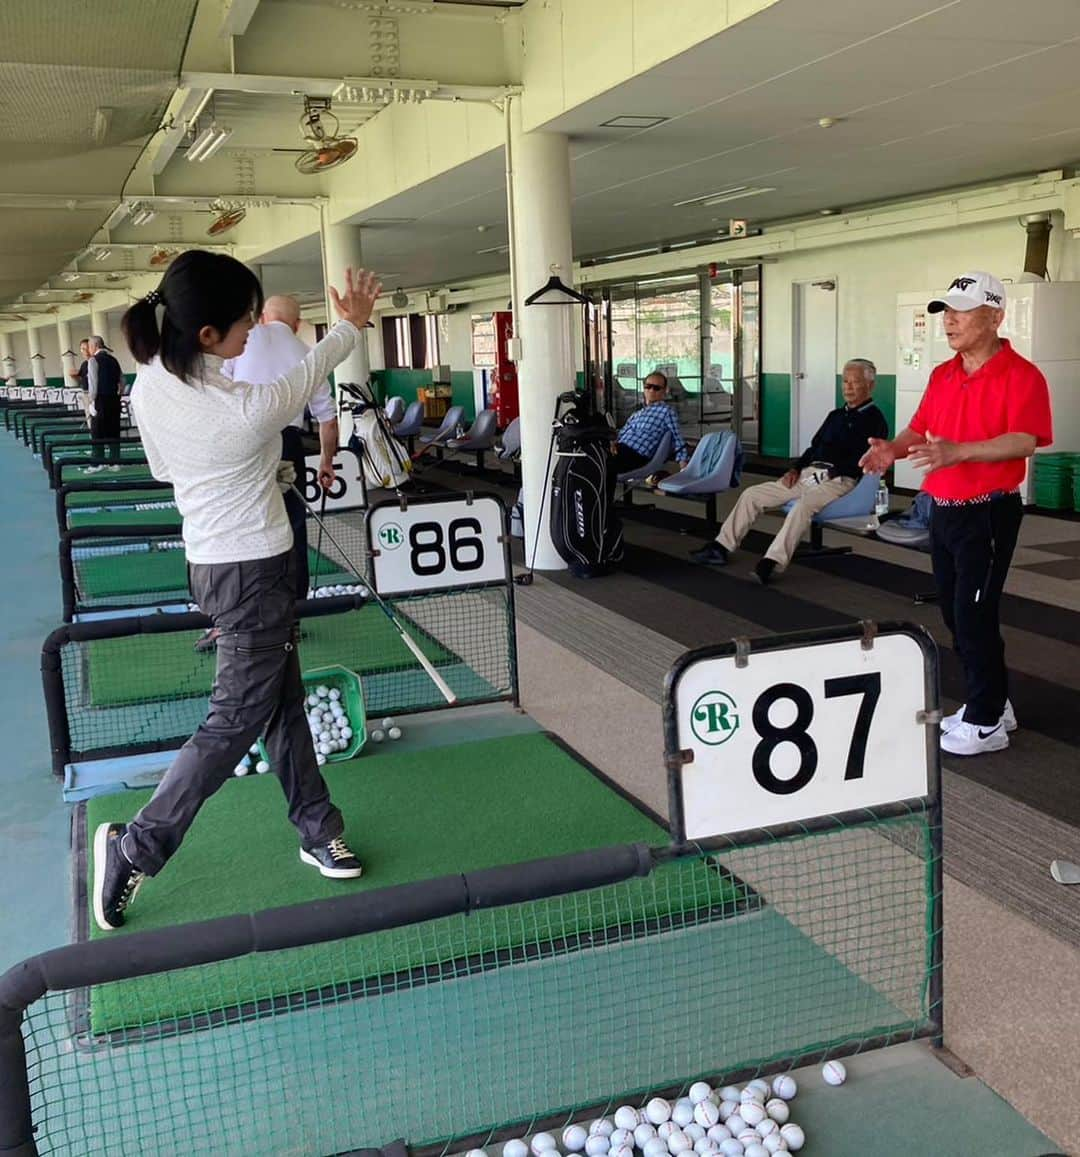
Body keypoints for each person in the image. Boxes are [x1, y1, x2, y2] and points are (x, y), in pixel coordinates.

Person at [91, 251, 381, 932]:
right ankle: (135, 845)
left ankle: (316, 825)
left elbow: (166, 467)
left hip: (213, 565)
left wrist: (246, 478)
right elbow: (313, 366)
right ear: (206, 335)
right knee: (233, 722)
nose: (255, 329)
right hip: (253, 571)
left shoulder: (151, 382)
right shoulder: (246, 410)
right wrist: (351, 324)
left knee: (279, 701)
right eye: (246, 319)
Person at [860, 271, 1052, 757]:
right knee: (954, 612)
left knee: (973, 615)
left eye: (961, 310)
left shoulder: (1023, 375)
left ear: (995, 316)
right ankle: (994, 701)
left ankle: (986, 722)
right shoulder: (943, 374)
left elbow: (1023, 441)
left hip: (988, 512)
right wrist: (892, 451)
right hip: (942, 510)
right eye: (946, 310)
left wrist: (960, 453)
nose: (950, 320)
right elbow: (920, 430)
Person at [691, 358, 887, 584]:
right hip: (809, 474)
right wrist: (795, 469)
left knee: (803, 507)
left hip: (840, 480)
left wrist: (834, 472)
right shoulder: (835, 415)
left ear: (870, 386)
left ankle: (772, 562)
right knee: (752, 495)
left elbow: (869, 458)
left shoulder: (875, 420)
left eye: (855, 382)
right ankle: (721, 547)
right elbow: (814, 448)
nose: (848, 387)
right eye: (845, 381)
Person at [612, 371, 690, 474]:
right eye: (648, 386)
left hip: (635, 455)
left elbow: (678, 438)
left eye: (656, 388)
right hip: (619, 450)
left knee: (598, 459)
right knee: (592, 453)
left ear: (665, 391)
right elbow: (620, 434)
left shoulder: (666, 411)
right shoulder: (636, 414)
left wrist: (684, 467)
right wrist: (612, 443)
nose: (651, 390)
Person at [86, 334, 125, 463]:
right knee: (114, 431)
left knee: (97, 431)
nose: (89, 350)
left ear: (95, 346)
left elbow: (93, 383)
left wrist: (91, 402)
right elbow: (122, 381)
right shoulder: (114, 360)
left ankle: (98, 462)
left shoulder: (93, 360)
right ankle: (115, 462)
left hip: (100, 400)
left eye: (89, 346)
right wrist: (117, 395)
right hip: (114, 399)